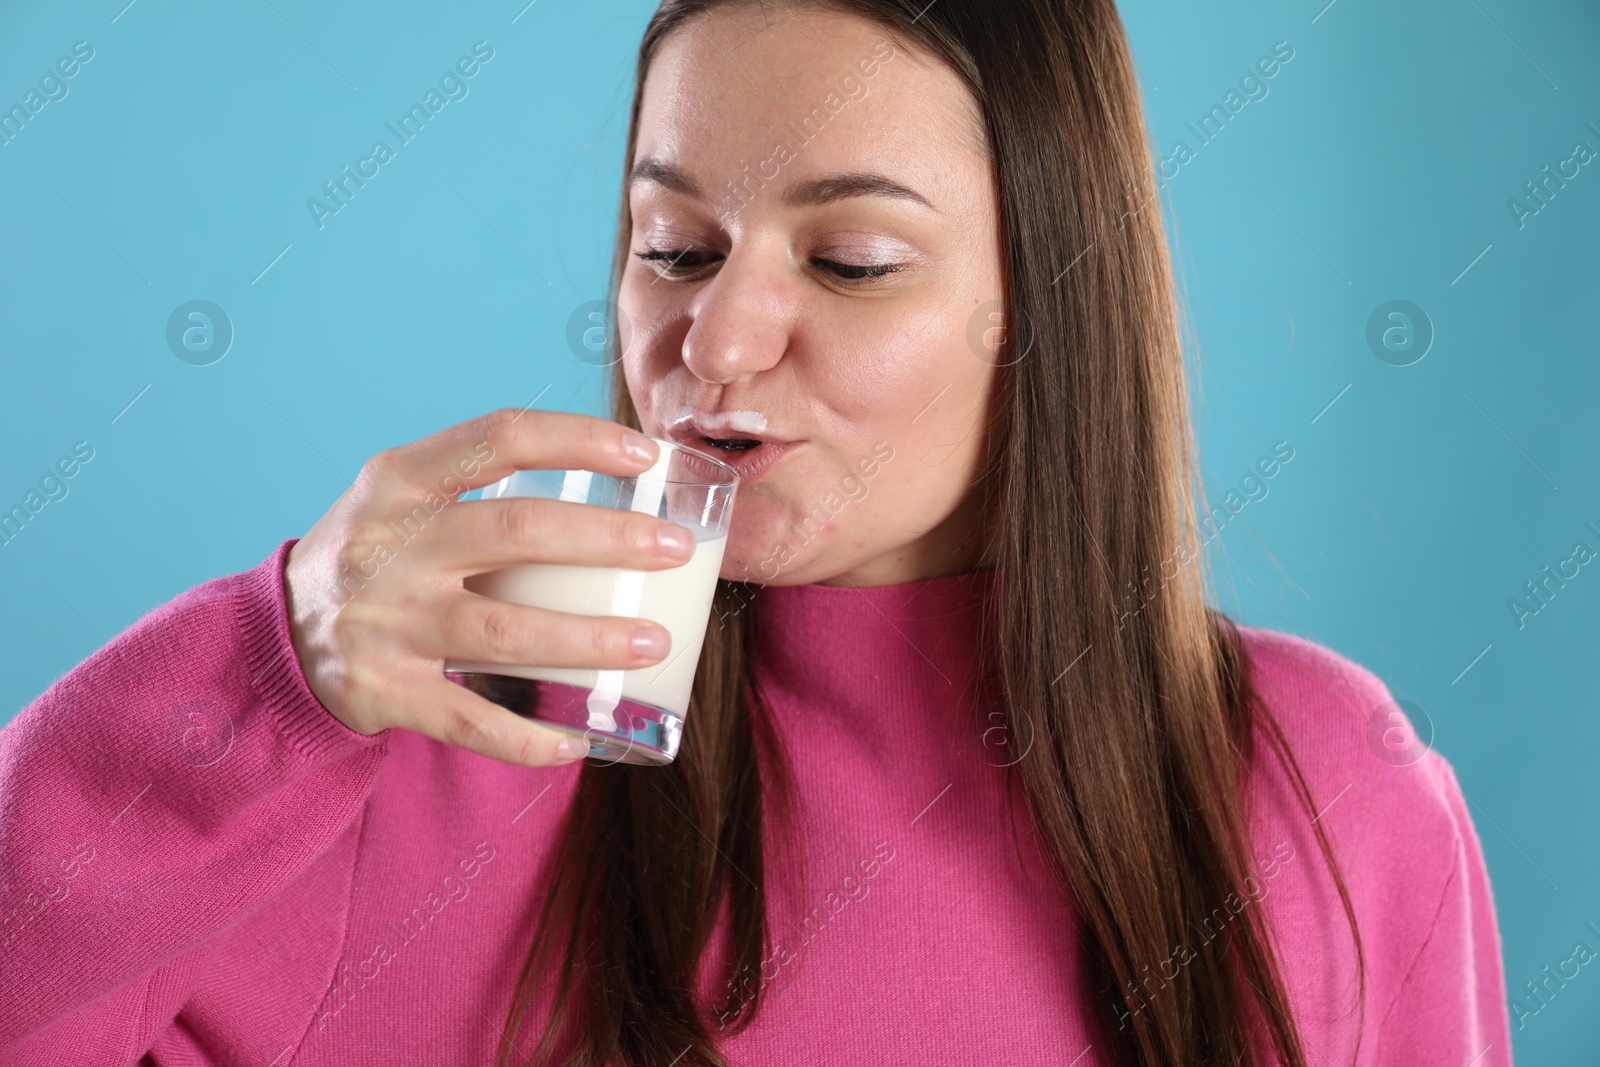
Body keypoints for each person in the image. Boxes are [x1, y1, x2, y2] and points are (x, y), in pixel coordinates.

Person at [0, 1, 1512, 1064]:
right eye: (676, 248)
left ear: (1045, 304)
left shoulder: (1333, 797)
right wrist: (267, 663)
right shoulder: (445, 741)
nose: (714, 345)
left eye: (850, 262)